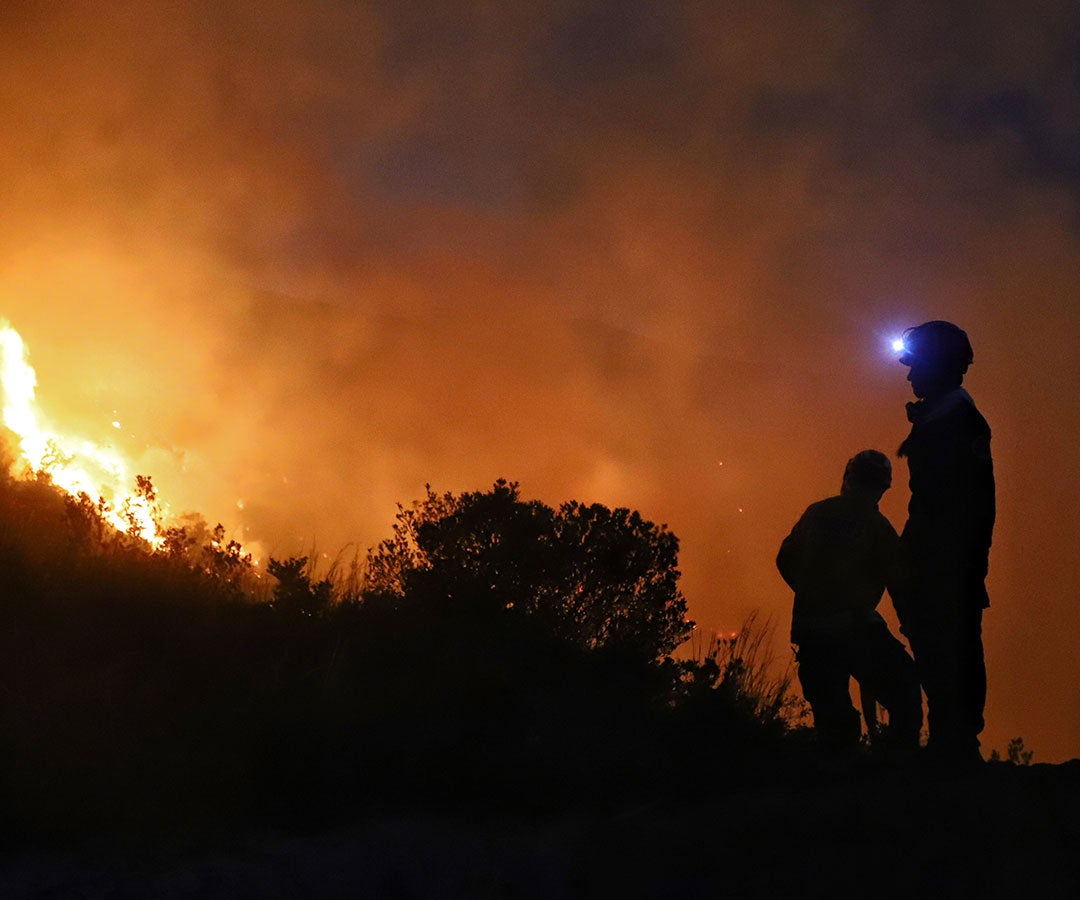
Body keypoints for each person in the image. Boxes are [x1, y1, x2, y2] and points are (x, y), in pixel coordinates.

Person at [894, 320, 995, 767]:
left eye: (916, 365)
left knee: (952, 647)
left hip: (947, 561)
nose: (910, 375)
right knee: (940, 647)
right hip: (935, 557)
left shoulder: (958, 423)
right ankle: (948, 742)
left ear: (938, 365)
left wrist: (963, 565)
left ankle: (956, 745)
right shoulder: (944, 419)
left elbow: (971, 504)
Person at [777, 450, 922, 752]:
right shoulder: (877, 526)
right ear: (880, 488)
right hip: (855, 629)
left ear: (848, 479)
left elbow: (785, 559)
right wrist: (912, 625)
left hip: (813, 633)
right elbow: (900, 585)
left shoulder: (816, 514)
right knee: (905, 689)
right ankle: (897, 766)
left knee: (834, 728)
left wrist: (811, 595)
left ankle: (835, 772)